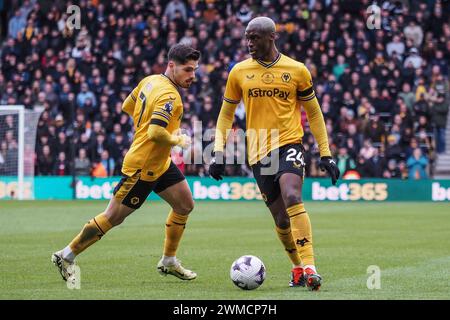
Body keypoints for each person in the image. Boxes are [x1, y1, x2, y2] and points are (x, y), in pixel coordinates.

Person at [209, 17, 339, 291]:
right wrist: (218, 151)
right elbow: (225, 115)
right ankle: (298, 268)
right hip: (258, 152)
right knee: (281, 220)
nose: (249, 43)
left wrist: (325, 153)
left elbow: (313, 112)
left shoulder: (297, 70)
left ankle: (311, 267)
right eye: (247, 37)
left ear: (271, 37)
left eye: (254, 37)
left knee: (292, 195)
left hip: (289, 144)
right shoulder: (239, 72)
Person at [52, 43, 200, 283]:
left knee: (184, 205)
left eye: (194, 70)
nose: (192, 76)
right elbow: (154, 132)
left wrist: (146, 131)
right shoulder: (170, 96)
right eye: (187, 70)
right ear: (171, 65)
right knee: (113, 217)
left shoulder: (150, 80)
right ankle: (66, 255)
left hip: (160, 162)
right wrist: (176, 139)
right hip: (143, 167)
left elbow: (127, 106)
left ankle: (169, 260)